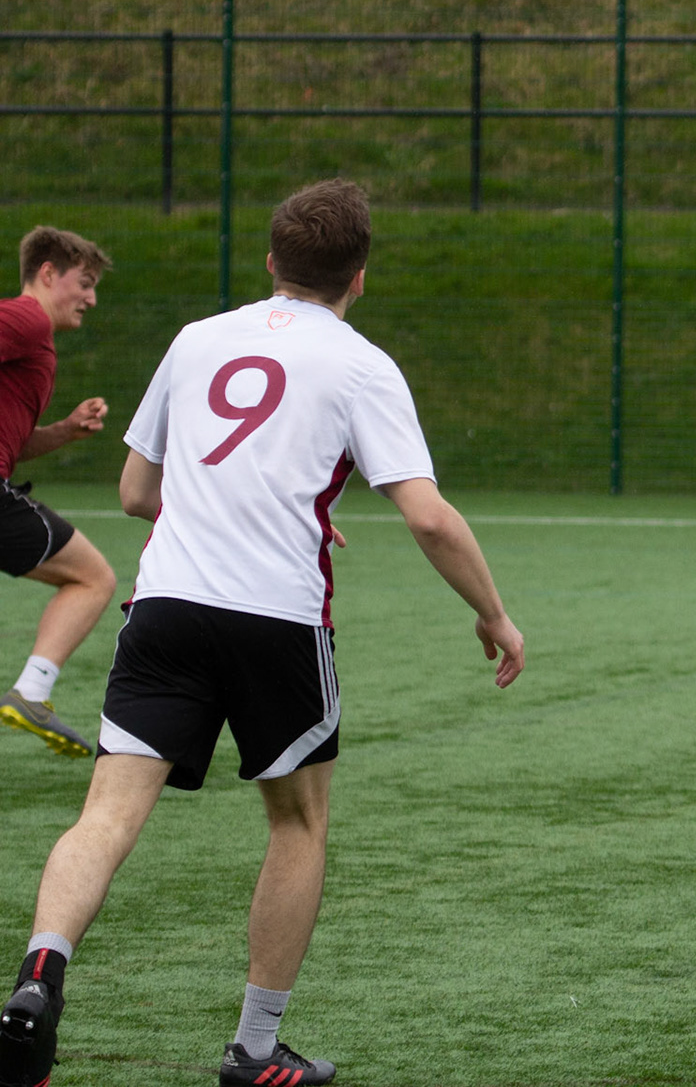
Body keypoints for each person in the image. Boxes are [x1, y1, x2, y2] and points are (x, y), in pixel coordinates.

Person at [0, 180, 526, 1087]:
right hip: (277, 620)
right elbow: (430, 519)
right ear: (359, 276)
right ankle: (253, 1049)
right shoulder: (362, 364)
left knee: (108, 814)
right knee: (297, 822)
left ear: (271, 262)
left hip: (164, 610)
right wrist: (494, 612)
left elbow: (136, 495)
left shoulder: (198, 339)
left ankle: (37, 981)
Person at [0, 227, 120, 761]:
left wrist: (66, 430)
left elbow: (14, 445)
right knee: (93, 578)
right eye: (85, 283)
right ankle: (32, 692)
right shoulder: (26, 318)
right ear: (47, 274)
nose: (91, 299)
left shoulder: (33, 341)